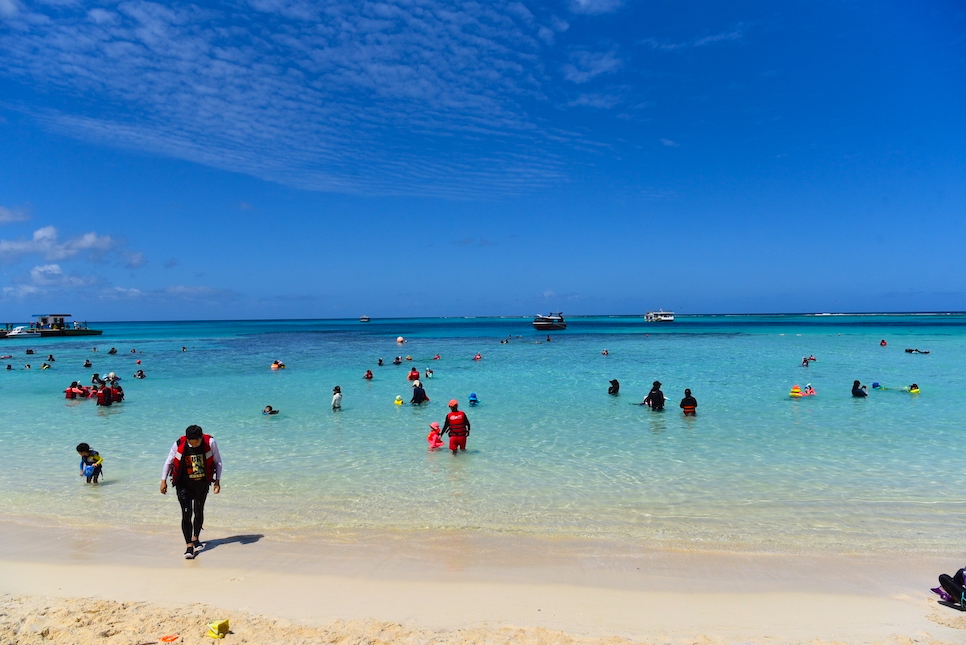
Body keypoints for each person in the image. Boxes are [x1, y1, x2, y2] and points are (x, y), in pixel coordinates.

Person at [160, 425, 222, 560]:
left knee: (199, 510)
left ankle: (196, 538)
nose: (193, 445)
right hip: (183, 485)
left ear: (201, 438)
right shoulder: (179, 444)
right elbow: (169, 461)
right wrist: (163, 480)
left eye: (196, 442)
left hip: (202, 484)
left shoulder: (210, 443)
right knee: (186, 513)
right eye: (190, 443)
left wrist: (217, 481)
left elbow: (218, 462)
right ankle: (189, 546)